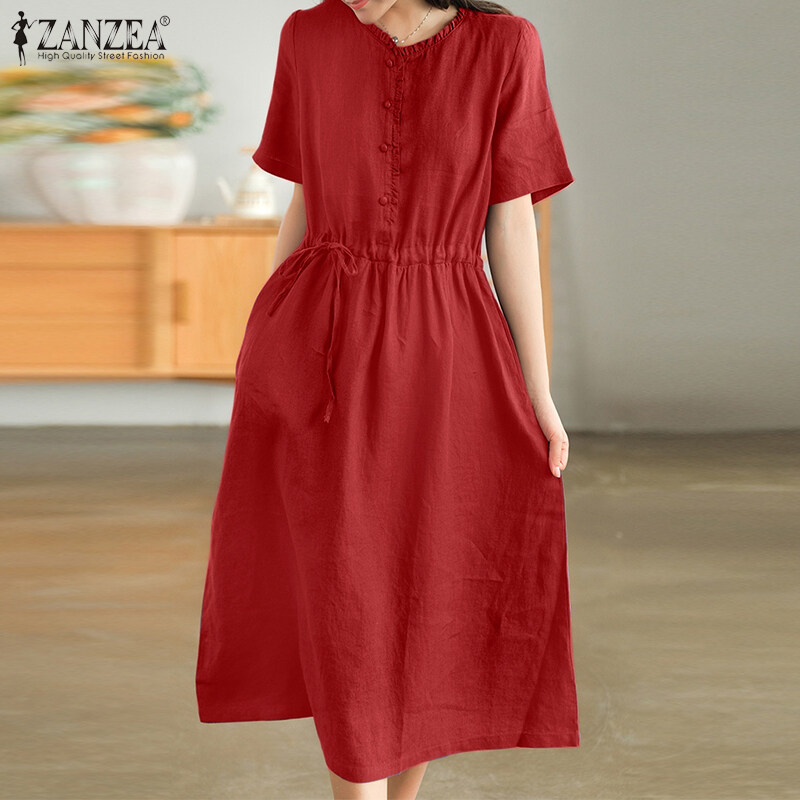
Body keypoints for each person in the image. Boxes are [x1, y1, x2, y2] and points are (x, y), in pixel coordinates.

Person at [196, 1, 580, 798]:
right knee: (348, 586)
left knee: (427, 578)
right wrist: (263, 338)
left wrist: (537, 390)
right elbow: (304, 202)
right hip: (322, 339)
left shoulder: (507, 45)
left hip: (450, 347)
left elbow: (511, 222)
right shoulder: (309, 35)